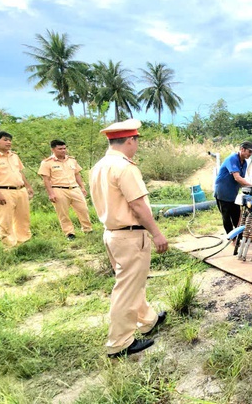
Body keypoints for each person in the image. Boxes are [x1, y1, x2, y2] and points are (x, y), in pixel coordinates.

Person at [90, 119, 168, 358]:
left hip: (113, 234)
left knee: (134, 283)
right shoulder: (124, 167)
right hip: (130, 234)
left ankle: (147, 319)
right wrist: (156, 233)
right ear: (130, 140)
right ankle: (120, 342)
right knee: (127, 288)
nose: (136, 146)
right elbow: (136, 204)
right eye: (136, 141)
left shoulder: (100, 166)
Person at [0, 131, 34, 247]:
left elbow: (19, 172)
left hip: (20, 190)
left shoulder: (14, 156)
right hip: (4, 191)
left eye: (10, 140)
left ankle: (24, 242)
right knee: (5, 220)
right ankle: (9, 246)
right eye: (5, 140)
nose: (9, 142)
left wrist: (28, 187)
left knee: (23, 218)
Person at [38, 140, 93, 240]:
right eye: (60, 149)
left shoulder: (71, 160)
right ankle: (69, 233)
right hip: (59, 189)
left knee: (83, 209)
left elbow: (77, 174)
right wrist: (51, 194)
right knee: (63, 213)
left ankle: (87, 229)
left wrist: (82, 187)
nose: (63, 150)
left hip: (74, 188)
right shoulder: (47, 163)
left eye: (64, 148)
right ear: (53, 149)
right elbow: (46, 180)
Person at [214, 141, 252, 234]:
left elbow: (241, 180)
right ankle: (232, 238)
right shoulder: (232, 159)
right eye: (249, 151)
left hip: (233, 193)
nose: (250, 154)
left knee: (237, 216)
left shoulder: (244, 163)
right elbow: (237, 177)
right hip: (223, 191)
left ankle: (242, 236)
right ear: (242, 149)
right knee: (226, 216)